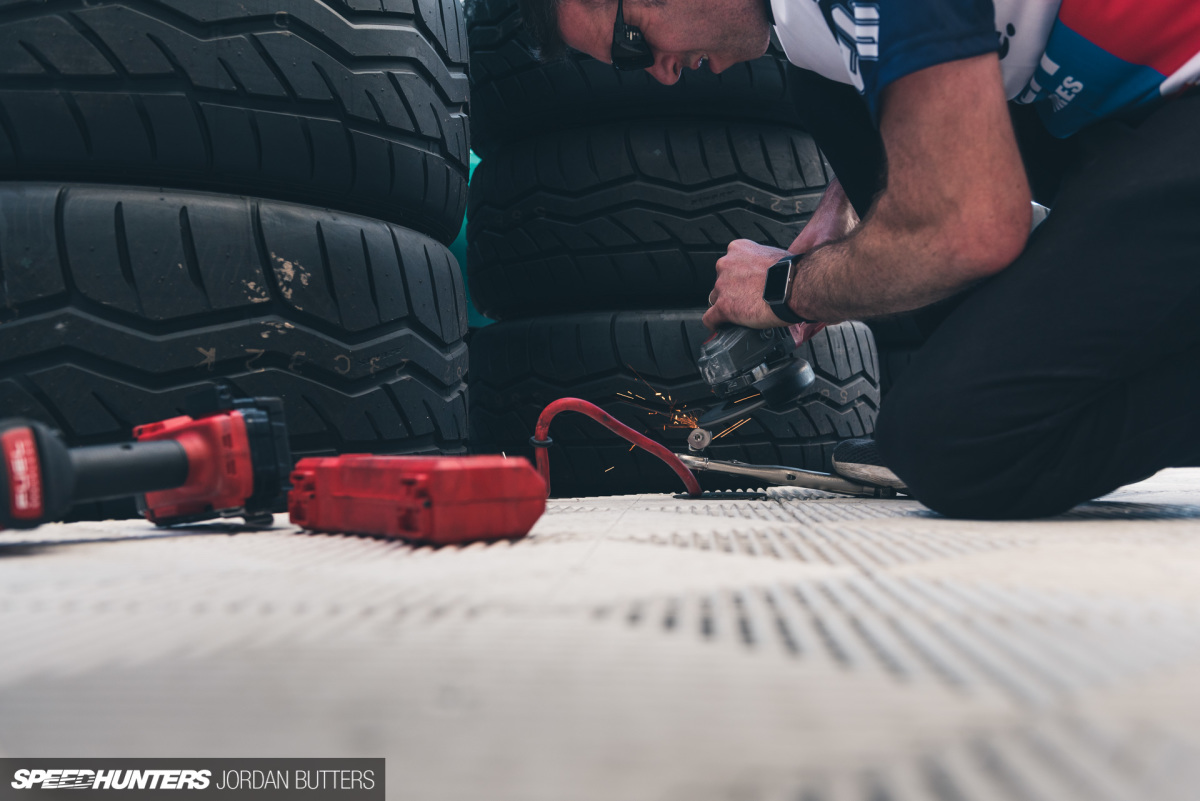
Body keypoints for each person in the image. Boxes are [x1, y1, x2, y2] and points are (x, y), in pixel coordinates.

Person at [518, 0, 1200, 519]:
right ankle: (995, 377)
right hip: (1139, 117)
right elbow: (921, 82)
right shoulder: (805, 29)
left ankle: (993, 402)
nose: (660, 74)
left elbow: (974, 227)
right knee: (827, 91)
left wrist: (787, 288)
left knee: (954, 444)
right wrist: (841, 214)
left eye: (633, 43)